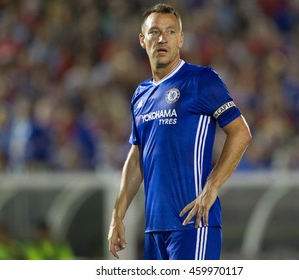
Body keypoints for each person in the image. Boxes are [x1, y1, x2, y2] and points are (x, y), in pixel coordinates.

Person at [107, 3, 251, 260]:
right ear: (142, 40)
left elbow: (240, 132)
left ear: (181, 39)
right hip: (153, 229)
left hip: (193, 223)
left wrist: (212, 185)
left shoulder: (201, 80)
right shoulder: (140, 94)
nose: (162, 38)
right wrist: (117, 215)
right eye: (154, 32)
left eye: (170, 32)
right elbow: (137, 156)